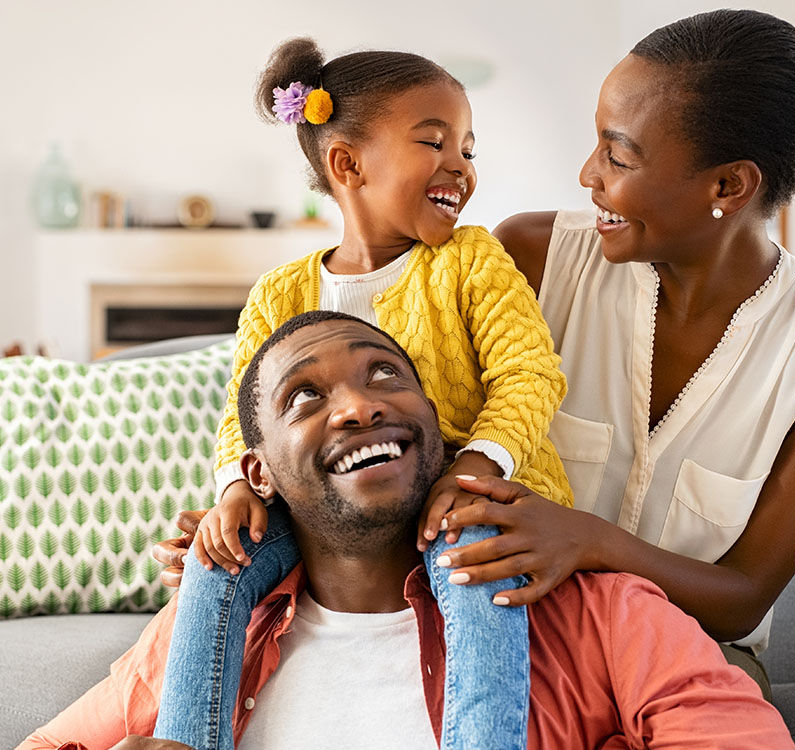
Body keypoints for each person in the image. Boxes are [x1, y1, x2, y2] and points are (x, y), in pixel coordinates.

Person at [18, 311, 795, 750]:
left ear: (439, 432)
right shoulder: (206, 632)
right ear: (259, 474)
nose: (360, 405)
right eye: (305, 397)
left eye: (385, 374)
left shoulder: (602, 615)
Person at [416, 8, 795, 694]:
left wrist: (591, 541)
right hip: (510, 628)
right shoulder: (529, 260)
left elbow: (743, 598)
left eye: (618, 156)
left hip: (691, 657)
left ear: (728, 186)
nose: (588, 174)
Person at [154, 39, 572, 750]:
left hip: (471, 493)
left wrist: (477, 467)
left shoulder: (472, 260)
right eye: (434, 142)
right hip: (333, 518)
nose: (461, 166)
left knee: (471, 551)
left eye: (468, 149)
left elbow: (530, 374)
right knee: (214, 560)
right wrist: (236, 489)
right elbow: (242, 414)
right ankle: (184, 740)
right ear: (348, 164)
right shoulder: (279, 293)